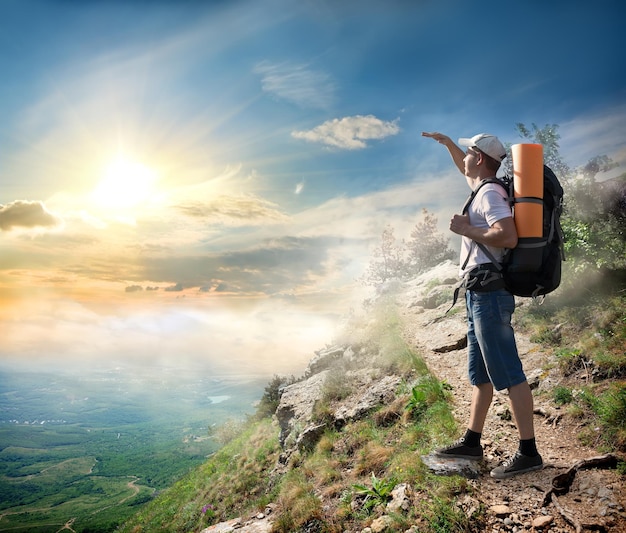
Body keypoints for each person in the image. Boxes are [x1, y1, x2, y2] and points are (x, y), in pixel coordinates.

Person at [421, 131, 543, 479]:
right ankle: (472, 442)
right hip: (478, 291)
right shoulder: (480, 187)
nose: (466, 160)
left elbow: (507, 235)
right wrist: (447, 143)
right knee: (482, 376)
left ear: (481, 158)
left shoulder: (489, 192)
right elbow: (464, 167)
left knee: (508, 373)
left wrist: (466, 229)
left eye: (470, 152)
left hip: (489, 293)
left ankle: (529, 452)